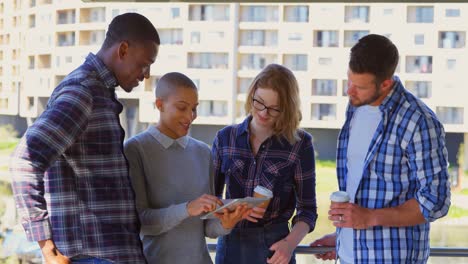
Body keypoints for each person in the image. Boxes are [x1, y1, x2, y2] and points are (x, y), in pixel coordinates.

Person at [9, 13, 160, 263]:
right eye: (145, 64)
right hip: (92, 255)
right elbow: (24, 162)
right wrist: (48, 249)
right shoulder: (83, 93)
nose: (146, 75)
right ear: (123, 49)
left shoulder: (99, 92)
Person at [310, 34, 451, 263]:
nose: (350, 92)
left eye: (359, 86)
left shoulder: (419, 121)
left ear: (386, 83)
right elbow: (363, 189)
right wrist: (343, 237)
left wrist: (370, 218)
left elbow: (436, 201)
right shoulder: (357, 106)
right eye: (349, 81)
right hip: (348, 257)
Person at [124, 72, 249, 263]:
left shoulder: (203, 152)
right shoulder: (135, 149)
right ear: (159, 105)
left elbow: (207, 227)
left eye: (194, 108)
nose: (190, 116)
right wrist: (188, 208)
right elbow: (140, 222)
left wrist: (226, 223)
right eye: (182, 107)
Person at [212, 64, 318, 264]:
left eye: (273, 108)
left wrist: (290, 244)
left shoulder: (300, 144)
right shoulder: (225, 138)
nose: (262, 113)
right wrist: (237, 206)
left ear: (286, 109)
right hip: (230, 242)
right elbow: (210, 200)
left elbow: (308, 210)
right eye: (258, 102)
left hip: (276, 246)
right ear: (251, 94)